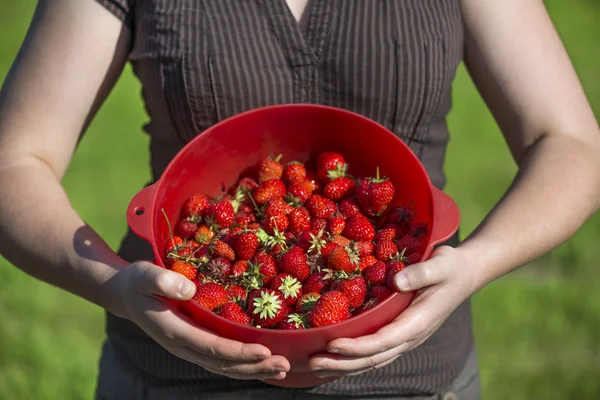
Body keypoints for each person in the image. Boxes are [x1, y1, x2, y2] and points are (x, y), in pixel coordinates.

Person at [0, 0, 599, 399]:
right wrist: (118, 290)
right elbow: (13, 162)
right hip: (174, 372)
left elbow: (572, 143)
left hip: (412, 380)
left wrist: (475, 263)